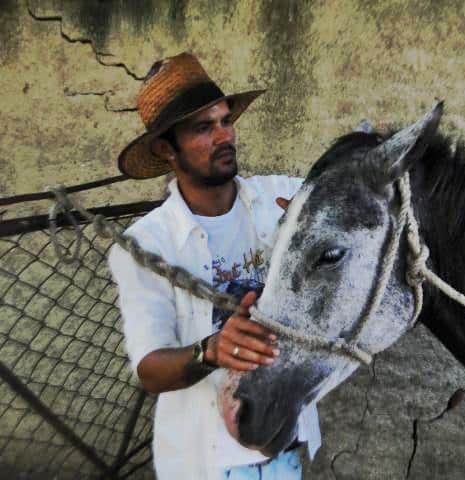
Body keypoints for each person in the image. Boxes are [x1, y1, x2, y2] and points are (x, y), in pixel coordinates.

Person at [108, 52, 319, 480]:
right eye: (204, 128)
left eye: (226, 120)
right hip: (207, 460)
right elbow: (150, 369)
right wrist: (212, 350)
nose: (224, 136)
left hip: (284, 441)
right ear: (167, 149)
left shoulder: (280, 197)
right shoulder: (146, 244)